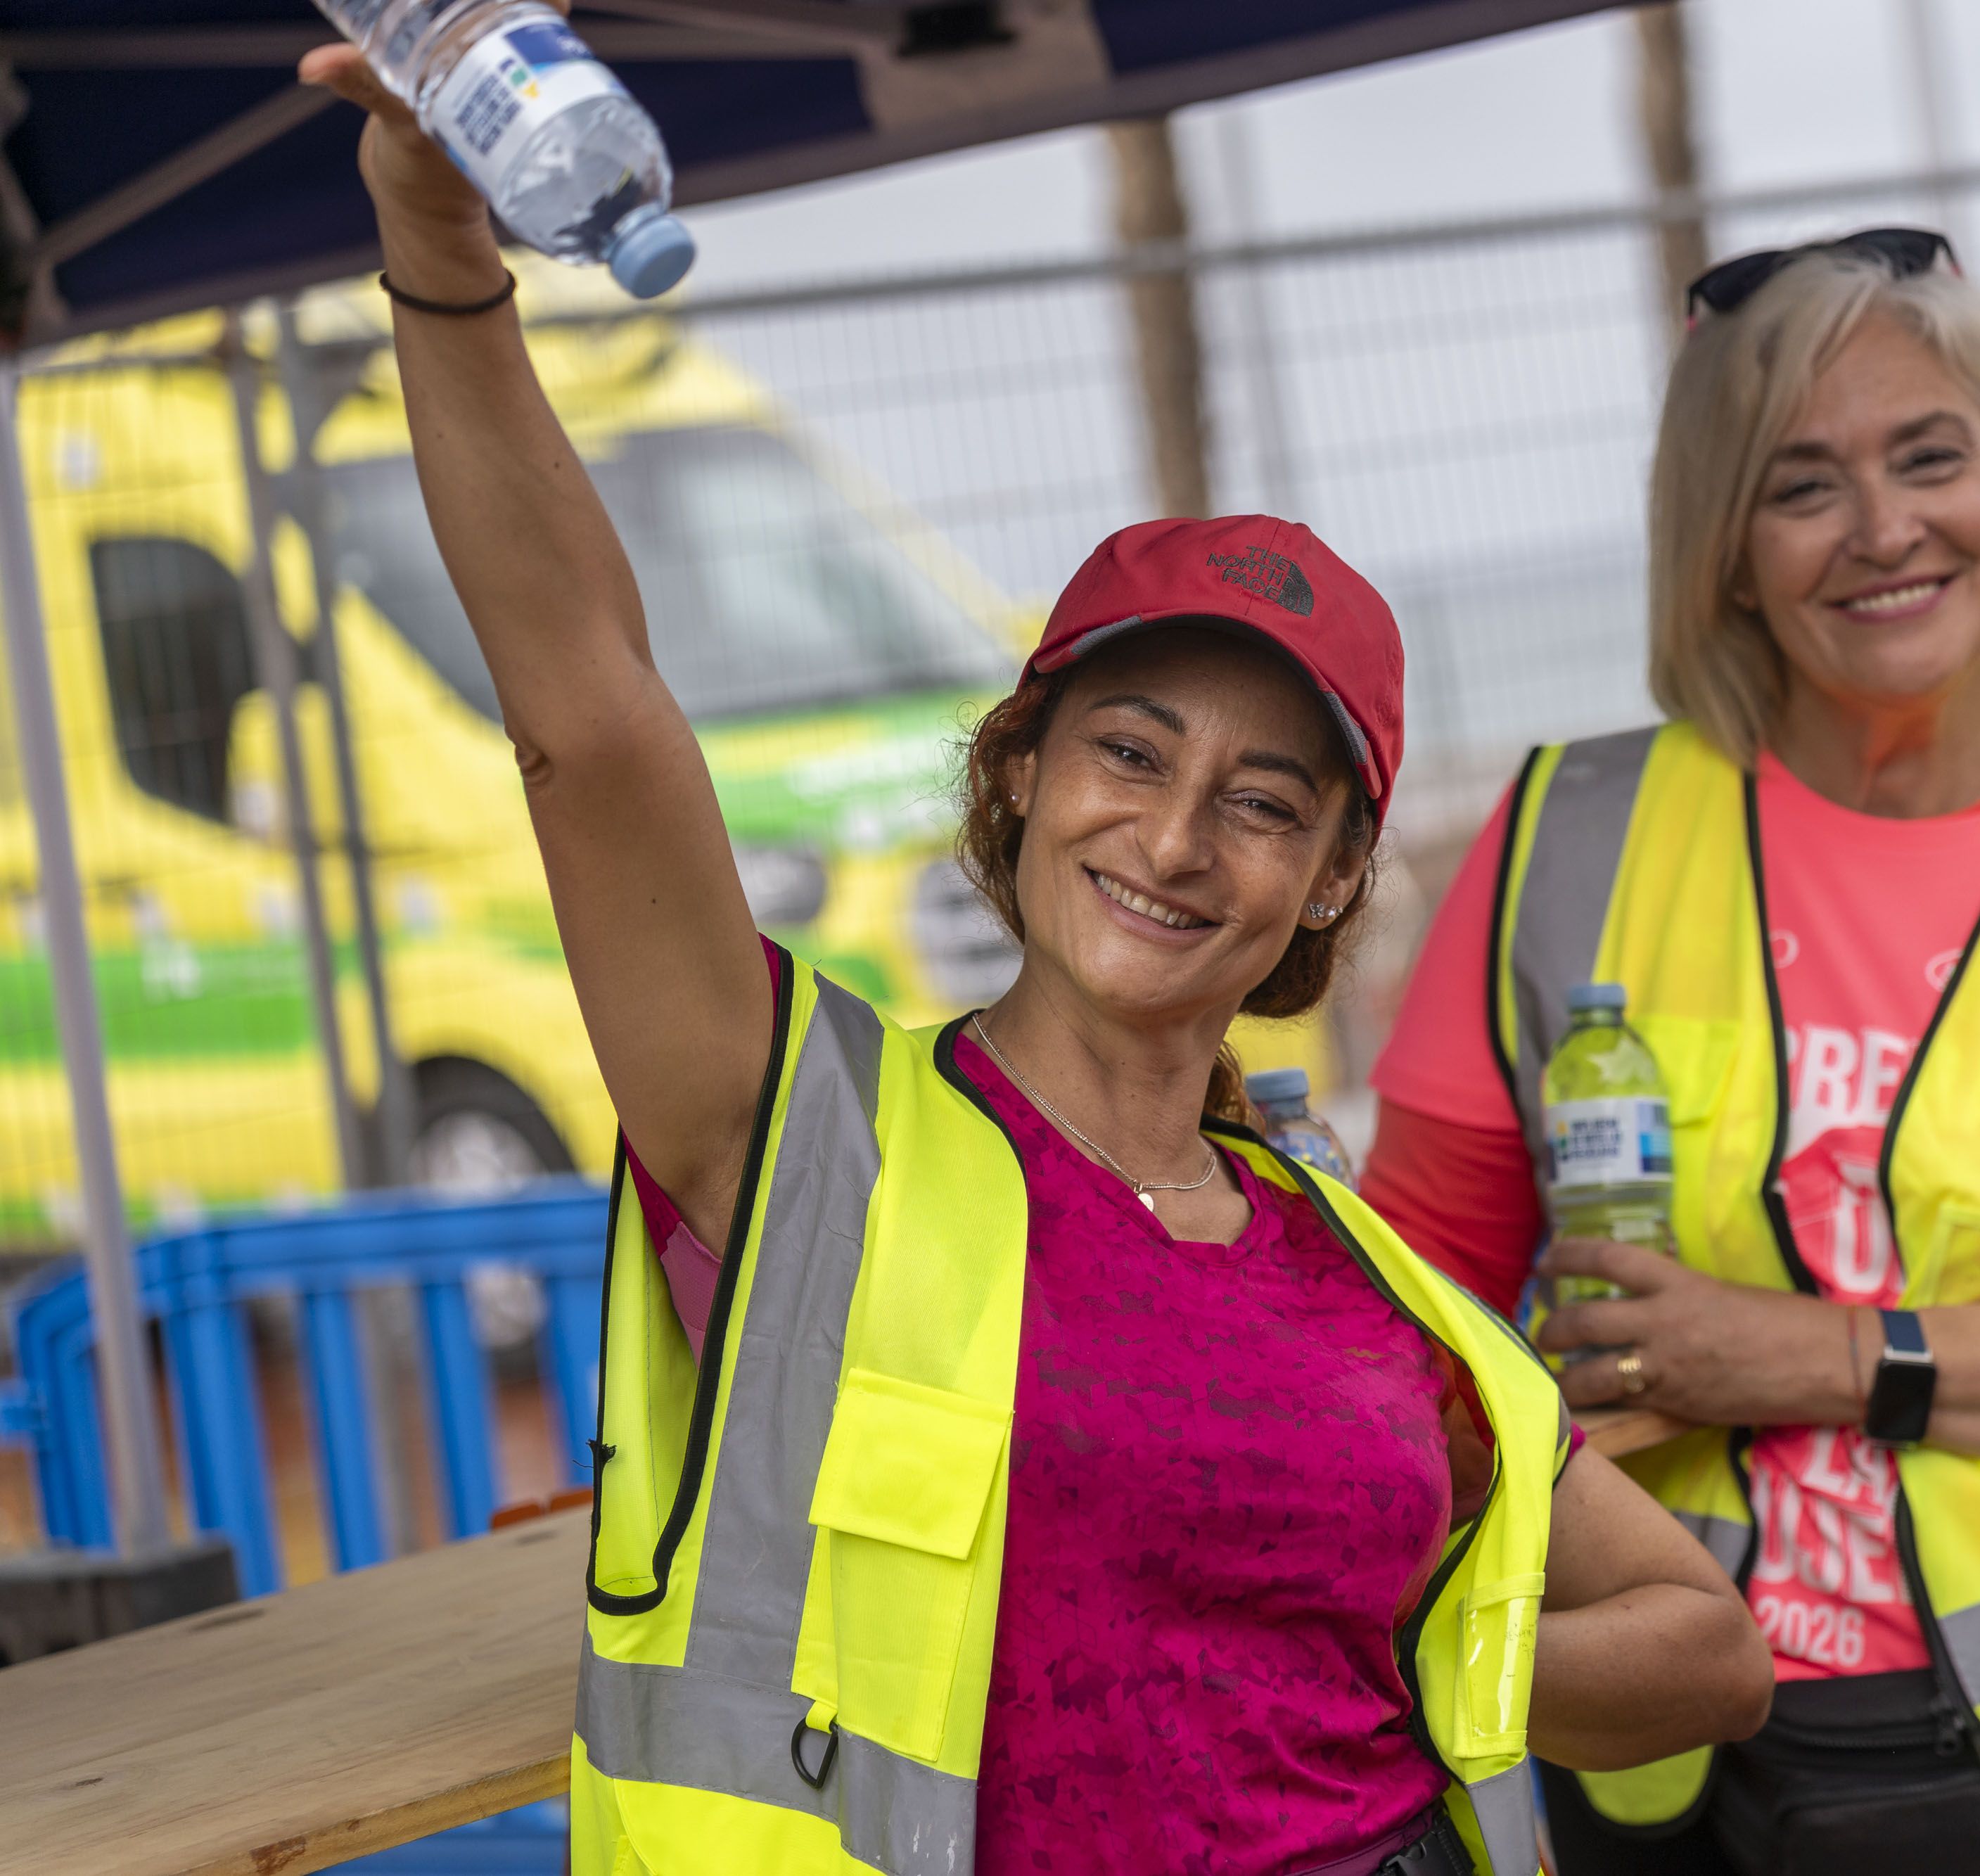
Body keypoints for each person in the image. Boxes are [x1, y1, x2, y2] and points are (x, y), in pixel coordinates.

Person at [300, 34, 1773, 1876]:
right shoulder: (801, 1140)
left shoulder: (1364, 1272)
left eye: (1262, 802)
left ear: (1326, 880)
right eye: (1130, 753)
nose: (1171, 840)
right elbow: (588, 726)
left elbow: (1710, 1650)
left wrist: (1400, 1652)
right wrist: (446, 269)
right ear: (1024, 774)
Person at [1361, 229, 1980, 1876]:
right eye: (1801, 485)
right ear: (1726, 551)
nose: (1884, 531)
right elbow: (1403, 1322)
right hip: (1676, 1769)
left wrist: (1808, 1356)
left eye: (1931, 458)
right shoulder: (1559, 844)